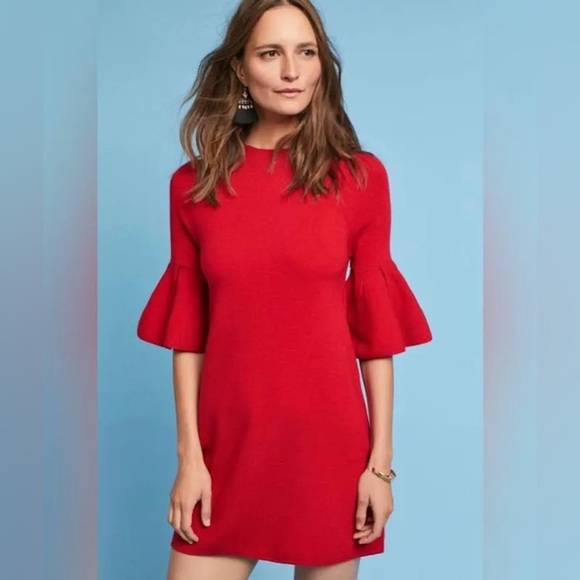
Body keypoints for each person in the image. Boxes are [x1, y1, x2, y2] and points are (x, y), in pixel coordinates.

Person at [136, 1, 433, 579]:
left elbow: (375, 337)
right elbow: (188, 337)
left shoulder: (359, 178)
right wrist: (190, 458)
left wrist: (379, 466)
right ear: (241, 68)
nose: (292, 71)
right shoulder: (193, 187)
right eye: (271, 54)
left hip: (328, 448)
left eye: (306, 52)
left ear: (322, 65)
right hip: (228, 450)